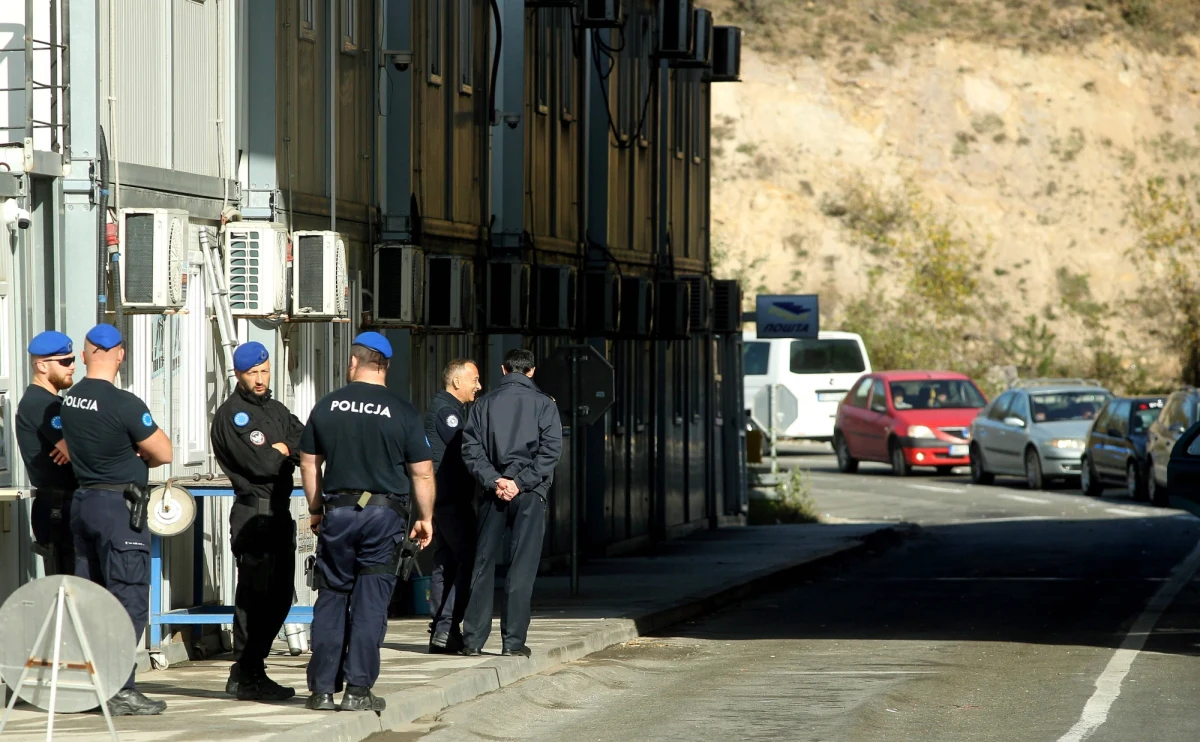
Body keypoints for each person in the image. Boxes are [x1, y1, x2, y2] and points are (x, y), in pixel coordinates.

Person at [299, 332, 435, 712]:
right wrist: (425, 518)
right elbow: (422, 473)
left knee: (332, 595)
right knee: (371, 600)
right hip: (383, 516)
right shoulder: (403, 411)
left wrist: (316, 509)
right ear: (385, 366)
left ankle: (322, 691)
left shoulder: (327, 406)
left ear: (353, 362)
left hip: (338, 514)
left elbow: (309, 464)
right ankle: (357, 690)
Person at [60, 324, 172, 716]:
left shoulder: (70, 400)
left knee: (92, 602)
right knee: (128, 601)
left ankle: (92, 686)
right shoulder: (125, 404)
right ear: (121, 355)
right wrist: (136, 454)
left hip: (84, 503)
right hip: (118, 510)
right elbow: (164, 452)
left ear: (86, 355)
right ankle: (119, 688)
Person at [210, 341, 305, 702]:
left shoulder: (276, 410)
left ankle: (250, 669)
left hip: (279, 512)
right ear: (238, 374)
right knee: (255, 596)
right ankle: (247, 670)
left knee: (280, 597)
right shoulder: (233, 415)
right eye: (253, 373)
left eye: (264, 371)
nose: (261, 379)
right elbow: (263, 464)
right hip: (254, 514)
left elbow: (307, 440)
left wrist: (283, 448)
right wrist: (283, 451)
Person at [459, 348, 562, 658]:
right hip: (530, 494)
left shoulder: (484, 404)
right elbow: (550, 452)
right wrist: (521, 482)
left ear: (504, 370)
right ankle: (513, 642)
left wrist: (495, 480)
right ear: (531, 371)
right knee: (521, 567)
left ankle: (473, 641)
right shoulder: (545, 404)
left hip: (493, 493)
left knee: (483, 565)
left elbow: (471, 449)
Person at [424, 359, 482, 654]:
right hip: (451, 500)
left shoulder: (449, 409)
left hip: (443, 499)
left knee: (445, 564)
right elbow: (464, 447)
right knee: (469, 560)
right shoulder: (446, 412)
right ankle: (446, 628)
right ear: (457, 382)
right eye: (475, 379)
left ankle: (440, 630)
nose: (479, 386)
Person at [15, 330, 79, 576]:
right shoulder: (40, 403)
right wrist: (75, 446)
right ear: (42, 365)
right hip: (58, 508)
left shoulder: (55, 402)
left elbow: (76, 448)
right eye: (65, 361)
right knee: (66, 586)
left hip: (64, 505)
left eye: (73, 360)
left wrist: (75, 445)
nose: (72, 366)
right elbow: (78, 452)